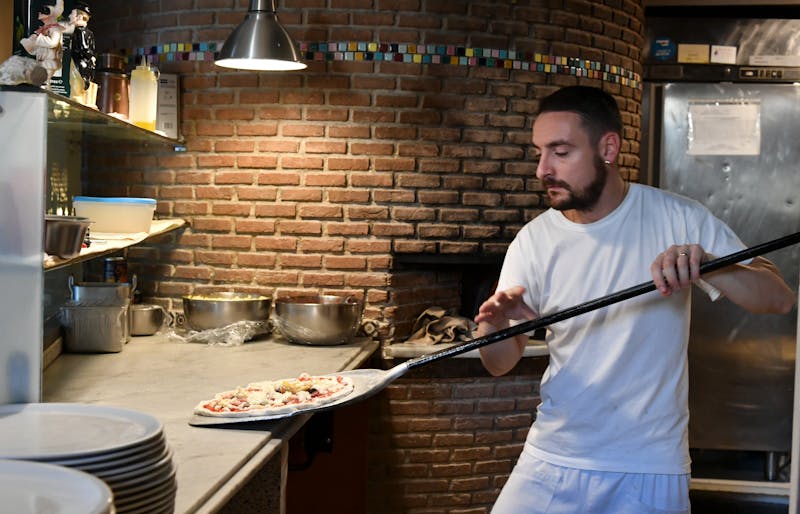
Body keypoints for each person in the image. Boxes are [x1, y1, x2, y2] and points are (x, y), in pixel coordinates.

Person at [474, 85, 795, 514]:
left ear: (608, 148)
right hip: (553, 455)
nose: (542, 170)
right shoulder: (533, 241)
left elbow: (777, 298)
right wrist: (493, 326)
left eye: (561, 151)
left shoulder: (677, 217)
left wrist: (710, 264)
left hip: (649, 465)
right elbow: (499, 363)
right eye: (540, 153)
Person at [19, 0, 65, 88]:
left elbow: (53, 43)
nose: (40, 13)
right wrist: (30, 42)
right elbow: (35, 50)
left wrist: (39, 39)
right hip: (41, 61)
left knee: (42, 81)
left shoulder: (55, 30)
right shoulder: (43, 29)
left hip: (49, 62)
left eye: (44, 10)